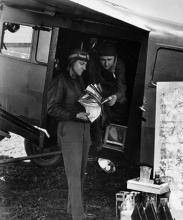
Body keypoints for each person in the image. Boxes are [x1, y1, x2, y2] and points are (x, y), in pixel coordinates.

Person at [47, 49, 96, 220]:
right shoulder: (60, 81)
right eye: (81, 64)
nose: (84, 67)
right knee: (74, 174)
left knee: (80, 172)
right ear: (72, 63)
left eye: (85, 64)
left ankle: (73, 209)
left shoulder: (80, 80)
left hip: (83, 129)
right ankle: (78, 216)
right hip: (69, 129)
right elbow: (51, 108)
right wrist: (74, 115)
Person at [88, 41, 127, 151]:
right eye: (103, 60)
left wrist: (115, 96)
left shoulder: (120, 65)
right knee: (94, 109)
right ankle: (96, 140)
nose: (106, 64)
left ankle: (113, 134)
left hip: (113, 90)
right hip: (97, 87)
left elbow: (122, 85)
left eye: (109, 60)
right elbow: (93, 83)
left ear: (115, 58)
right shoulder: (93, 64)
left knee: (122, 103)